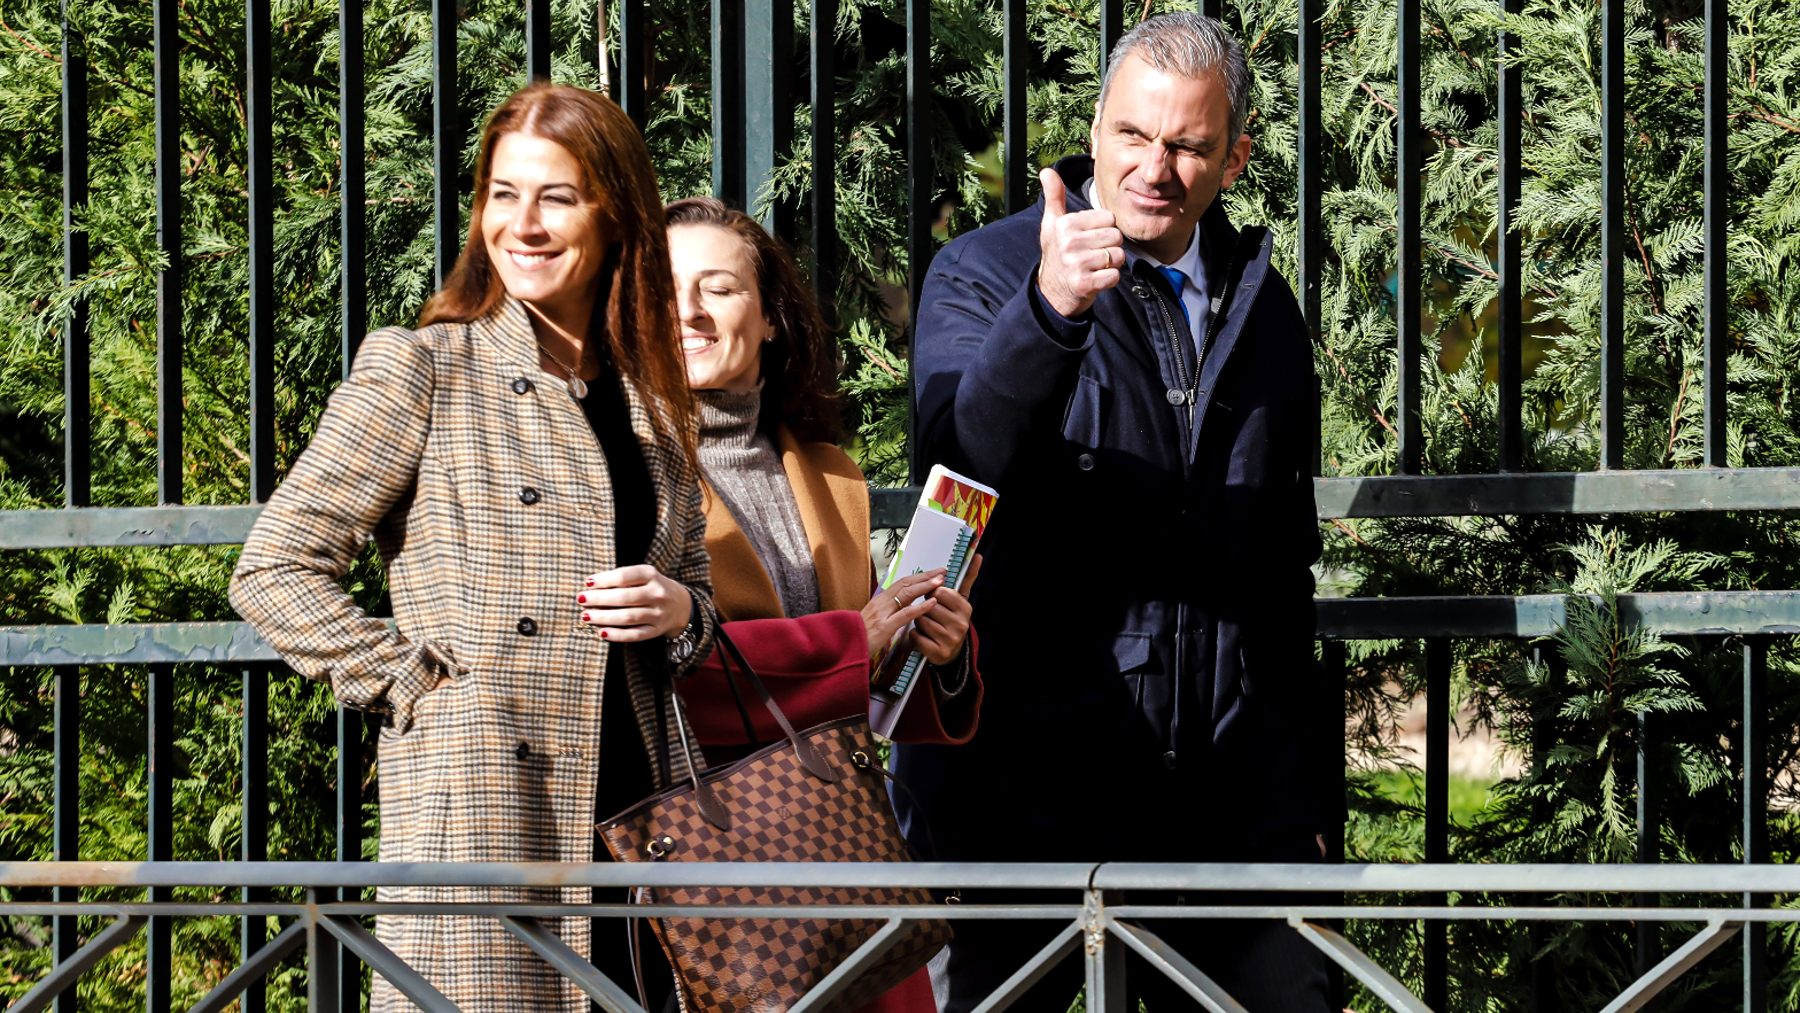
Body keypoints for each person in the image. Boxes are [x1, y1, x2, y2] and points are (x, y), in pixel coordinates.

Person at [229, 84, 715, 1012]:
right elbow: (275, 567)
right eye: (502, 193)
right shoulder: (425, 368)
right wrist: (425, 687)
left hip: (642, 812)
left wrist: (682, 608)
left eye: (556, 197)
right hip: (491, 802)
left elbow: (693, 584)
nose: (522, 224)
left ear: (616, 214)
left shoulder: (655, 402)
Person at [896, 13, 1337, 1011]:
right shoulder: (986, 271)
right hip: (1025, 798)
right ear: (1094, 132)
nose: (1156, 167)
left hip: (1225, 807)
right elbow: (960, 463)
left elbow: (1282, 568)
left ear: (1235, 157)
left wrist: (1302, 797)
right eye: (1134, 136)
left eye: (1187, 144)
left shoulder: (1265, 307)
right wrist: (1049, 314)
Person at [662, 196, 983, 1012]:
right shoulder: (627, 473)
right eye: (665, 293)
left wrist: (932, 654)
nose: (688, 313)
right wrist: (856, 638)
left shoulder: (831, 473)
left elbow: (871, 695)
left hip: (844, 851)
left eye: (717, 289)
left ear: (770, 316)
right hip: (715, 864)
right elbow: (675, 673)